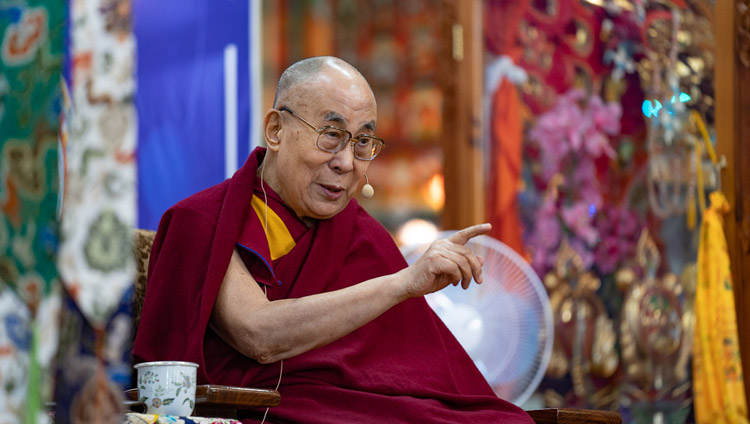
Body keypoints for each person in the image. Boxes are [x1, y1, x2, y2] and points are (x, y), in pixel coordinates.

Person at [133, 56, 533, 423]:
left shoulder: (363, 236)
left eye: (362, 142)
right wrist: (403, 283)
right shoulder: (202, 221)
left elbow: (423, 376)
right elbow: (257, 334)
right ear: (275, 130)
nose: (346, 162)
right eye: (331, 134)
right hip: (269, 411)